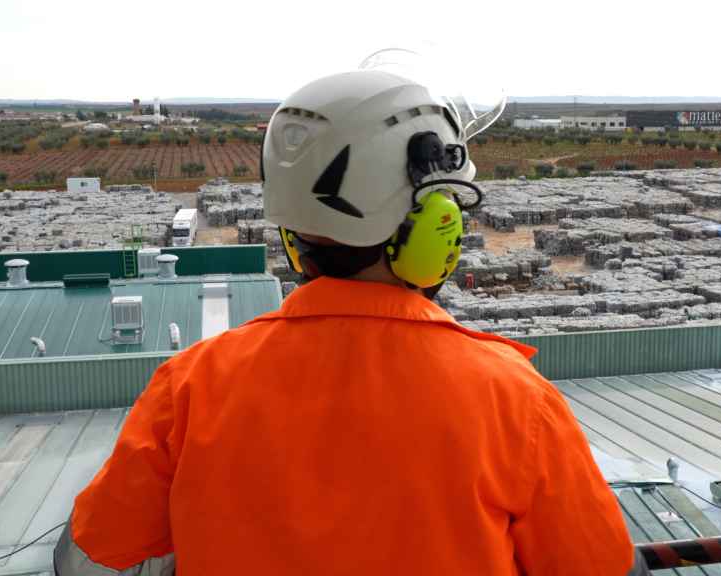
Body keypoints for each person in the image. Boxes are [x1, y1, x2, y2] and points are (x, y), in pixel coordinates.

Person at [54, 67, 648, 575]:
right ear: (437, 225)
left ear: (291, 236)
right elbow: (602, 564)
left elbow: (93, 552)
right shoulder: (515, 401)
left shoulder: (191, 386)